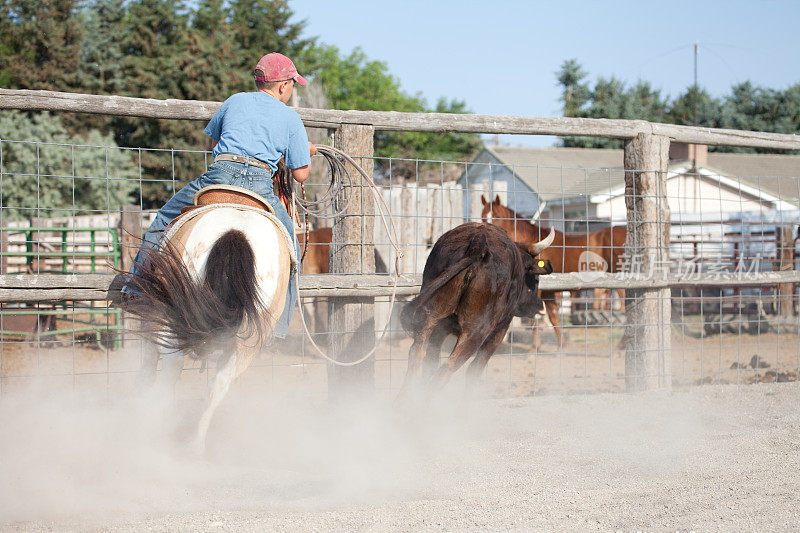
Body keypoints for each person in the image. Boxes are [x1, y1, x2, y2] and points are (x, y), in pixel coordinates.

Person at [122, 52, 315, 339]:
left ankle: (135, 287)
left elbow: (214, 141)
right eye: (292, 85)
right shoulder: (290, 117)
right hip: (260, 183)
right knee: (291, 250)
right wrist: (305, 151)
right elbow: (300, 174)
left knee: (163, 218)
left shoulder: (235, 101)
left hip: (221, 174)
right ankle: (279, 328)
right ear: (284, 86)